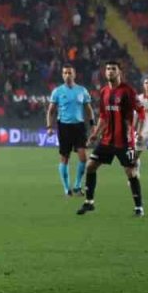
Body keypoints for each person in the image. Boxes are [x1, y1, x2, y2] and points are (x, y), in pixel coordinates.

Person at [77, 61, 144, 217]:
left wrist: (137, 132)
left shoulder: (128, 91)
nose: (110, 71)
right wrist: (95, 133)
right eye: (108, 69)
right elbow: (103, 116)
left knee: (131, 172)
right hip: (107, 140)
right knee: (90, 166)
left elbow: (141, 112)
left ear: (119, 72)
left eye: (113, 69)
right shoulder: (104, 92)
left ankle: (139, 207)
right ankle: (89, 202)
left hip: (125, 141)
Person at [47, 65, 92, 196]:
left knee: (83, 158)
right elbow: (50, 111)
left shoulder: (82, 91)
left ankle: (77, 185)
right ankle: (67, 188)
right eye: (65, 73)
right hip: (64, 127)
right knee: (64, 158)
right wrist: (49, 127)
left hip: (79, 126)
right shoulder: (57, 91)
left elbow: (88, 109)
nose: (67, 75)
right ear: (62, 75)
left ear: (74, 74)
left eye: (70, 73)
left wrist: (93, 124)